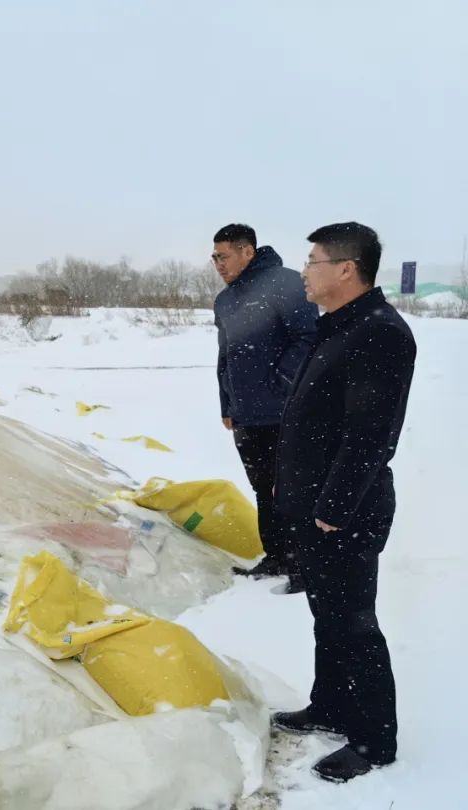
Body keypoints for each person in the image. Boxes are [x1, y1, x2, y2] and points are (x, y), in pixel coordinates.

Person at [272, 222, 415, 782]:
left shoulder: (379, 331)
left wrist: (333, 508)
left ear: (346, 269)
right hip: (316, 508)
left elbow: (370, 434)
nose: (304, 272)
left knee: (354, 624)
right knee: (326, 618)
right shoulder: (338, 324)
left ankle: (376, 741)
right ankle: (330, 705)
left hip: (344, 514)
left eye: (312, 261)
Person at [212, 224, 317, 591]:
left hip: (284, 413)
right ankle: (276, 557)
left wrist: (281, 383)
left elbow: (308, 337)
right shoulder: (225, 300)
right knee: (263, 488)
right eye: (214, 257)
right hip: (245, 415)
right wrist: (227, 402)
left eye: (223, 256)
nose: (218, 264)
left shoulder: (285, 283)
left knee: (291, 489)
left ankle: (304, 566)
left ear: (247, 252)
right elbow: (226, 354)